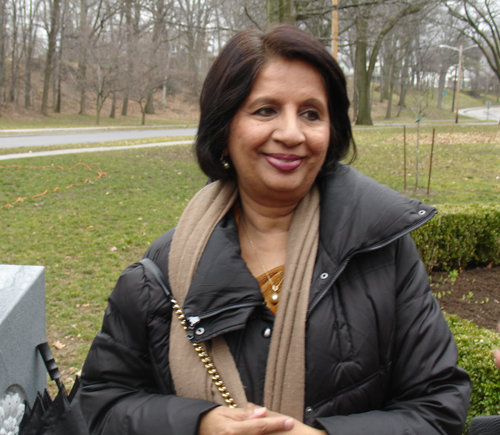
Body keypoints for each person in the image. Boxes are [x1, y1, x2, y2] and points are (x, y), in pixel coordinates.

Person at [80, 24, 471, 435]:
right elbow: (100, 407)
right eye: (265, 110)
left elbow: (439, 405)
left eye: (311, 113)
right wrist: (198, 425)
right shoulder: (159, 276)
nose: (291, 133)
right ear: (224, 128)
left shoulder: (381, 252)